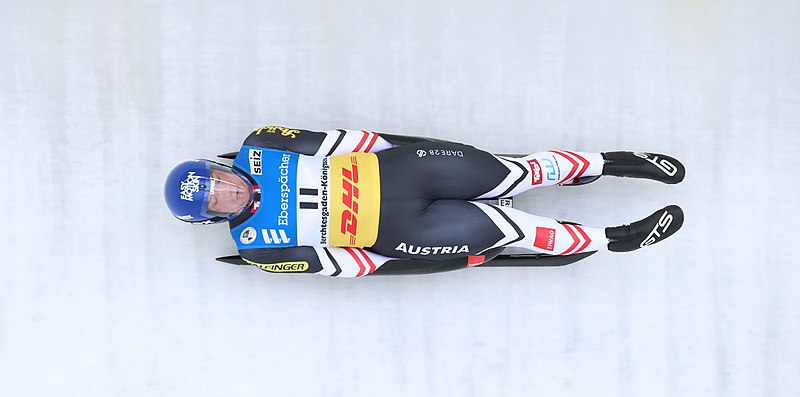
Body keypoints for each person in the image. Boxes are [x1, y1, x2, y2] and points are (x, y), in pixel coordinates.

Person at [164, 125, 685, 277]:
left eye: (219, 179)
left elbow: (352, 140)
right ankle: (615, 240)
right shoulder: (258, 248)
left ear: (223, 165)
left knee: (513, 173)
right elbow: (348, 266)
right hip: (404, 232)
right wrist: (437, 260)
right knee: (510, 229)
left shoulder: (265, 145)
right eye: (216, 202)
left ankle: (612, 161)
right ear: (210, 219)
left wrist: (408, 151)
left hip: (405, 169)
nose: (228, 192)